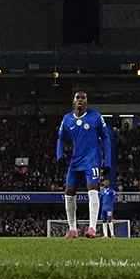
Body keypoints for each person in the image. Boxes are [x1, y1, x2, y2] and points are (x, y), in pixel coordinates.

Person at [56, 91, 112, 239]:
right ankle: (72, 229)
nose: (80, 100)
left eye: (83, 98)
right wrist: (59, 155)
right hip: (75, 161)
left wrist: (107, 161)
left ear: (87, 102)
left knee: (92, 188)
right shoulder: (67, 119)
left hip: (92, 159)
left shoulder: (96, 117)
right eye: (78, 98)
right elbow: (60, 138)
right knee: (69, 191)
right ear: (73, 101)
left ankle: (92, 227)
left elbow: (106, 138)